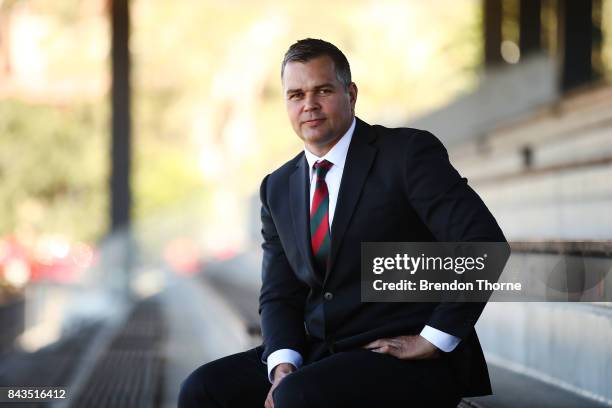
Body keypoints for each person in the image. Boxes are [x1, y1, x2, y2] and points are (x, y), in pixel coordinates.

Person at [179, 38, 508, 408]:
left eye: (322, 90)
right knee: (202, 389)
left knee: (298, 397)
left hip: (402, 358)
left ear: (350, 93)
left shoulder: (406, 154)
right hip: (322, 351)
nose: (309, 105)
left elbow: (484, 244)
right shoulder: (279, 186)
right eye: (296, 94)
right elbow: (279, 293)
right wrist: (283, 364)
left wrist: (432, 339)